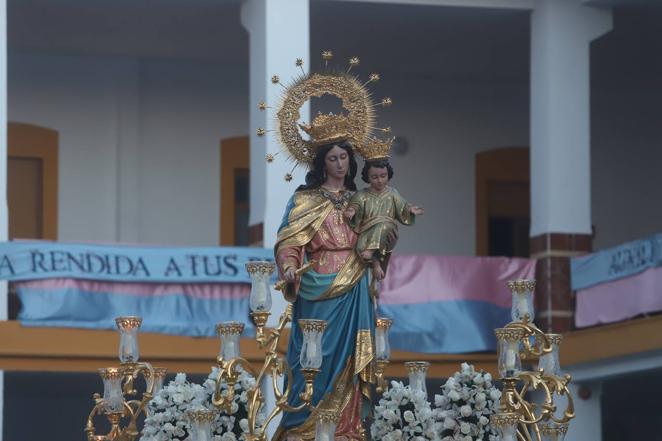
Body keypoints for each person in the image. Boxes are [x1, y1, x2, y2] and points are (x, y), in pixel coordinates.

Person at [274, 140, 376, 441]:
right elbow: (289, 242)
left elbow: (377, 236)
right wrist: (290, 266)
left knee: (349, 354)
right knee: (313, 353)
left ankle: (346, 427)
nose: (340, 163)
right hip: (316, 285)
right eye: (333, 158)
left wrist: (383, 239)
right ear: (323, 163)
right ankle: (305, 427)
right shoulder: (305, 200)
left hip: (355, 281)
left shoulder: (363, 199)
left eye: (344, 157)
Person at [344, 159, 423, 281]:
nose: (380, 180)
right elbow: (356, 205)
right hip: (368, 230)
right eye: (374, 177)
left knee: (383, 226)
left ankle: (371, 251)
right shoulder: (362, 194)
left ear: (388, 175)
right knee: (361, 247)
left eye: (383, 176)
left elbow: (402, 206)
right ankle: (376, 265)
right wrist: (351, 211)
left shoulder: (392, 193)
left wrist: (410, 210)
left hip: (387, 228)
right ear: (367, 177)